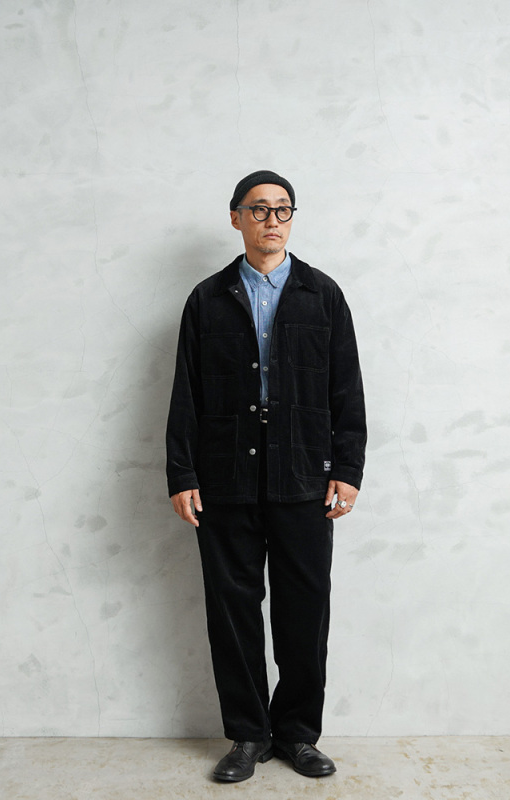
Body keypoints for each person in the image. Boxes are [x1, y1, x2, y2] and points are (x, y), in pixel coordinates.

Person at [166, 170, 366, 783]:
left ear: (292, 218)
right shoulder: (208, 299)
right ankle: (248, 736)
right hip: (225, 481)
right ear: (236, 218)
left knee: (305, 612)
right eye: (259, 210)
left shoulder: (321, 295)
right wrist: (182, 472)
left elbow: (346, 389)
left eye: (282, 210)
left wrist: (348, 468)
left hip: (304, 477)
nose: (271, 220)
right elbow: (186, 393)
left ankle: (298, 734)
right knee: (233, 613)